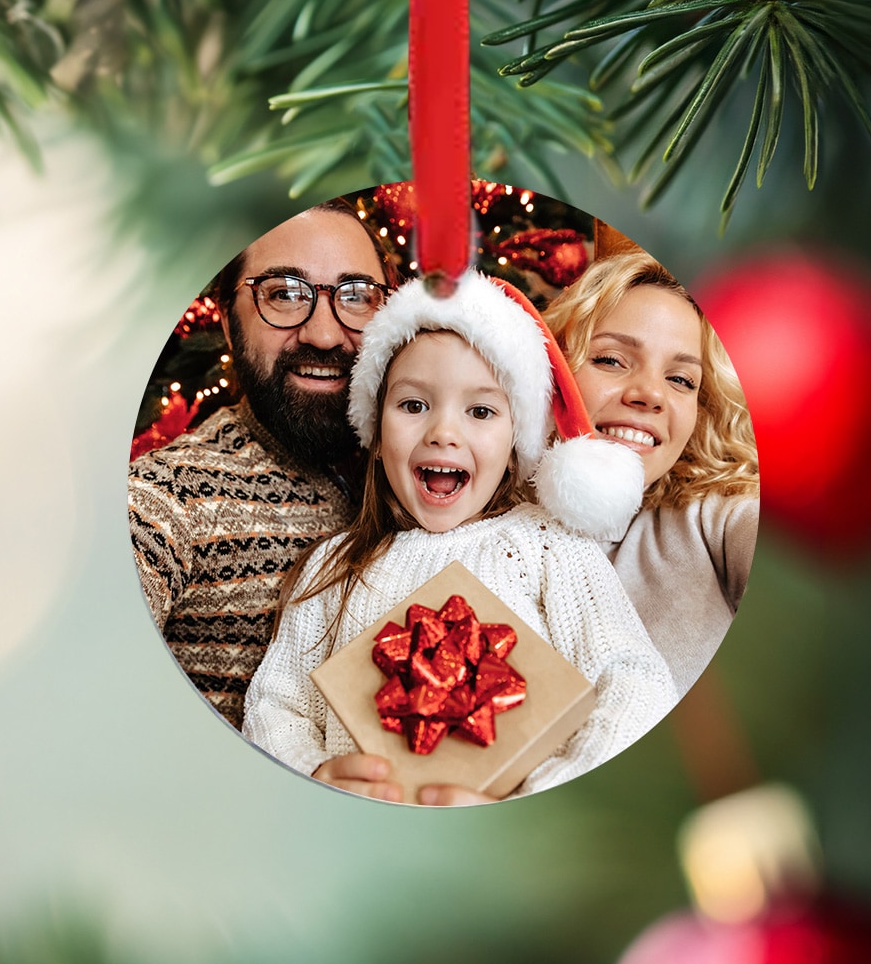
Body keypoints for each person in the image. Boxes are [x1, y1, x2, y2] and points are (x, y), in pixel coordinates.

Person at [242, 270, 677, 804]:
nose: (443, 432)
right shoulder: (333, 566)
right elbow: (276, 705)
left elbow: (634, 683)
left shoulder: (549, 545)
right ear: (374, 435)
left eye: (480, 411)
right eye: (414, 405)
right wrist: (311, 776)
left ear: (515, 444)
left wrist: (538, 796)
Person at [128, 199, 397, 730]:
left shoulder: (421, 475)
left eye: (358, 297)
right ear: (228, 325)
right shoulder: (168, 501)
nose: (324, 333)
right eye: (284, 294)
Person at [541, 252, 760, 698]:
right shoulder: (469, 525)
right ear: (550, 373)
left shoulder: (713, 521)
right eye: (611, 360)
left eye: (681, 380)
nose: (651, 394)